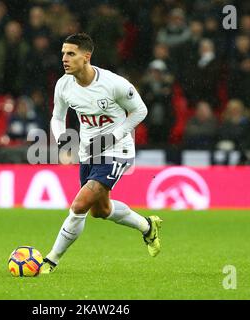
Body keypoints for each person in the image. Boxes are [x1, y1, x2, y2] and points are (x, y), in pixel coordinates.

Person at [41, 33, 163, 274]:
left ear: (87, 57)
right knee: (101, 211)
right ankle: (147, 226)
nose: (64, 58)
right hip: (89, 152)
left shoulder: (113, 83)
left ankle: (50, 261)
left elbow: (140, 111)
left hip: (117, 150)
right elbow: (57, 116)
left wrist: (115, 136)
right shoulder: (63, 84)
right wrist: (62, 140)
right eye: (63, 53)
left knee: (79, 205)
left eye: (71, 54)